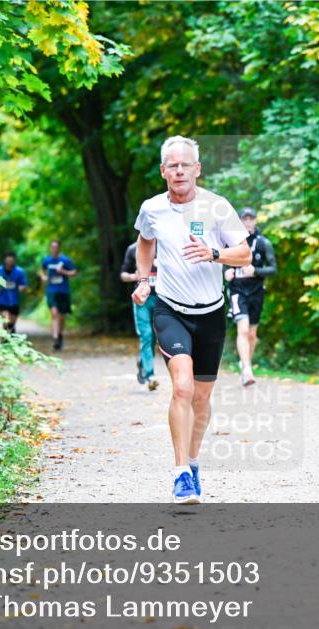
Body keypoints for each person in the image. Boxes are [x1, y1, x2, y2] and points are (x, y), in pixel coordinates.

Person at [131, 136, 251, 504]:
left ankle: (194, 460)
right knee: (181, 386)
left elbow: (244, 254)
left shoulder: (216, 207)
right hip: (170, 308)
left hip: (211, 312)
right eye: (173, 165)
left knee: (201, 397)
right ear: (163, 170)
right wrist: (143, 280)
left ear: (197, 169)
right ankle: (181, 472)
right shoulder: (152, 208)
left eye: (186, 164)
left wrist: (213, 253)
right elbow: (145, 241)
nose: (179, 170)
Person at [224, 207, 277, 386]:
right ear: (239, 221)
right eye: (244, 219)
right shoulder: (231, 242)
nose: (247, 222)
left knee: (252, 335)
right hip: (237, 291)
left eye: (250, 219)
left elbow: (273, 269)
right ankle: (247, 370)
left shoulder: (263, 243)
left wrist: (255, 271)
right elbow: (219, 261)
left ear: (255, 221)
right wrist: (226, 271)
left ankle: (244, 362)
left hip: (256, 292)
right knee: (243, 329)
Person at [121, 240, 160, 391]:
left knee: (155, 336)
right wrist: (133, 277)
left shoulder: (165, 246)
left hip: (161, 297)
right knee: (146, 335)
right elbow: (123, 274)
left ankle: (142, 361)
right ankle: (150, 375)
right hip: (142, 298)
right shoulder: (133, 249)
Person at [39, 240, 77, 350]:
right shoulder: (47, 260)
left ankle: (60, 336)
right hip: (51, 290)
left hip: (63, 291)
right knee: (54, 313)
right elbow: (42, 270)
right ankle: (55, 338)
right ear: (50, 248)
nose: (54, 249)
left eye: (56, 247)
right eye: (52, 247)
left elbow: (74, 272)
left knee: (62, 316)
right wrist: (43, 277)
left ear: (59, 248)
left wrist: (64, 272)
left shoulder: (65, 260)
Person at [0, 251, 28, 334]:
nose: (10, 262)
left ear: (14, 261)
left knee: (12, 323)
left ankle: (10, 336)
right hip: (3, 300)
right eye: (8, 260)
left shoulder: (20, 271)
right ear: (4, 260)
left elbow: (24, 284)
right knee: (6, 319)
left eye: (12, 260)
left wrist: (22, 288)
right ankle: (6, 337)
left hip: (14, 301)